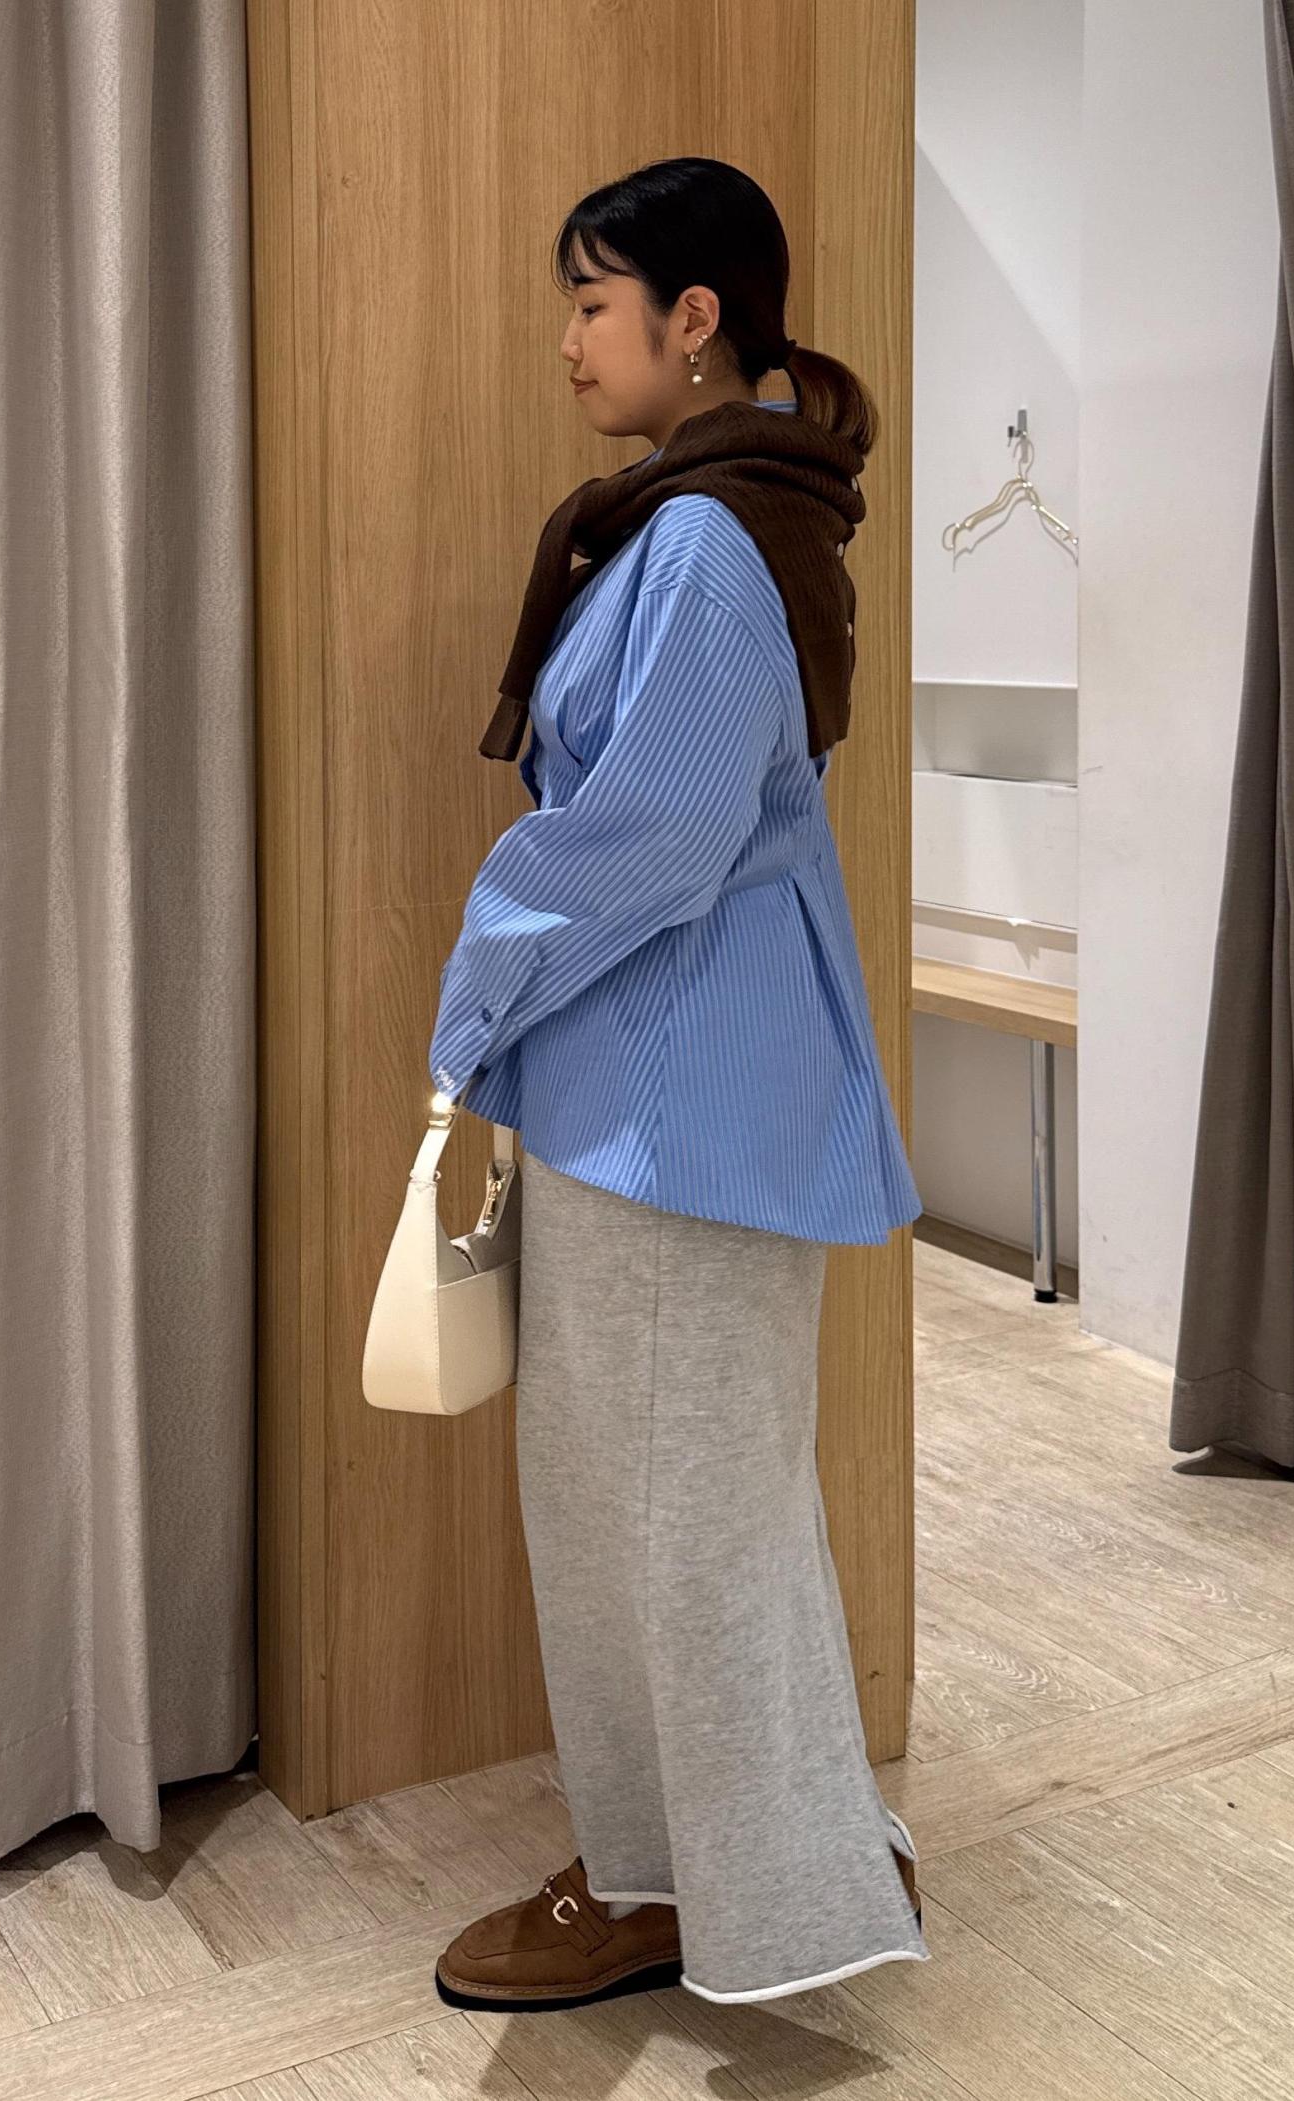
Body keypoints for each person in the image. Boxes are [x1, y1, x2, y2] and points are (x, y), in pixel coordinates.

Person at [429, 156, 928, 2013]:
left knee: (678, 1522)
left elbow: (657, 827)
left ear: (691, 317)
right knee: (660, 1512)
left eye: (590, 302)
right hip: (655, 1094)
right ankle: (736, 1853)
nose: (568, 341)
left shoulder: (707, 541)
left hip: (678, 1107)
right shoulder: (697, 520)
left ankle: (700, 1890)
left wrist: (480, 973)